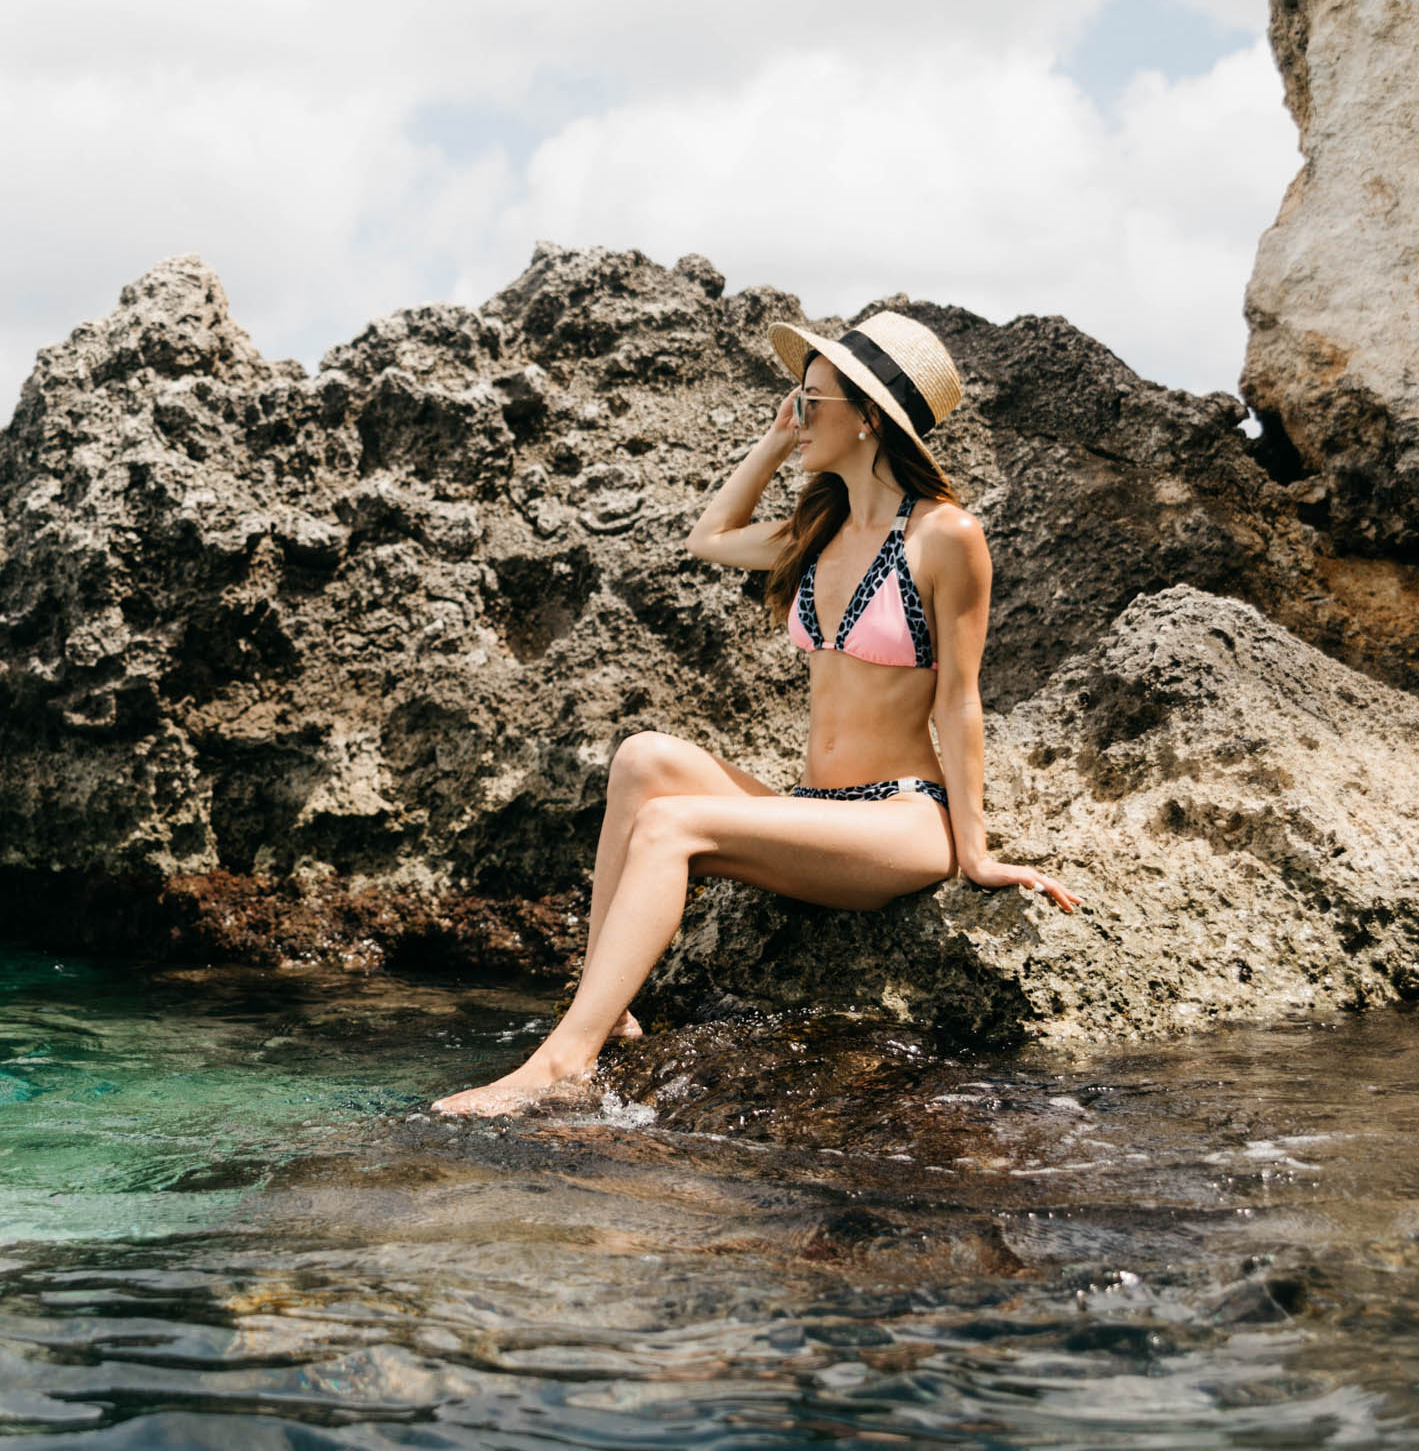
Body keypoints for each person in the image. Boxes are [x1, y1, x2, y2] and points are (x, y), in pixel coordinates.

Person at [430, 309, 1080, 1117]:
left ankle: (564, 1061)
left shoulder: (947, 536)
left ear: (871, 417)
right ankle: (608, 1008)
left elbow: (961, 698)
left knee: (672, 828)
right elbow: (709, 538)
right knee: (641, 758)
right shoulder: (819, 528)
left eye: (811, 402)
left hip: (899, 821)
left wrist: (975, 855)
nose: (796, 414)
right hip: (815, 810)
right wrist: (778, 441)